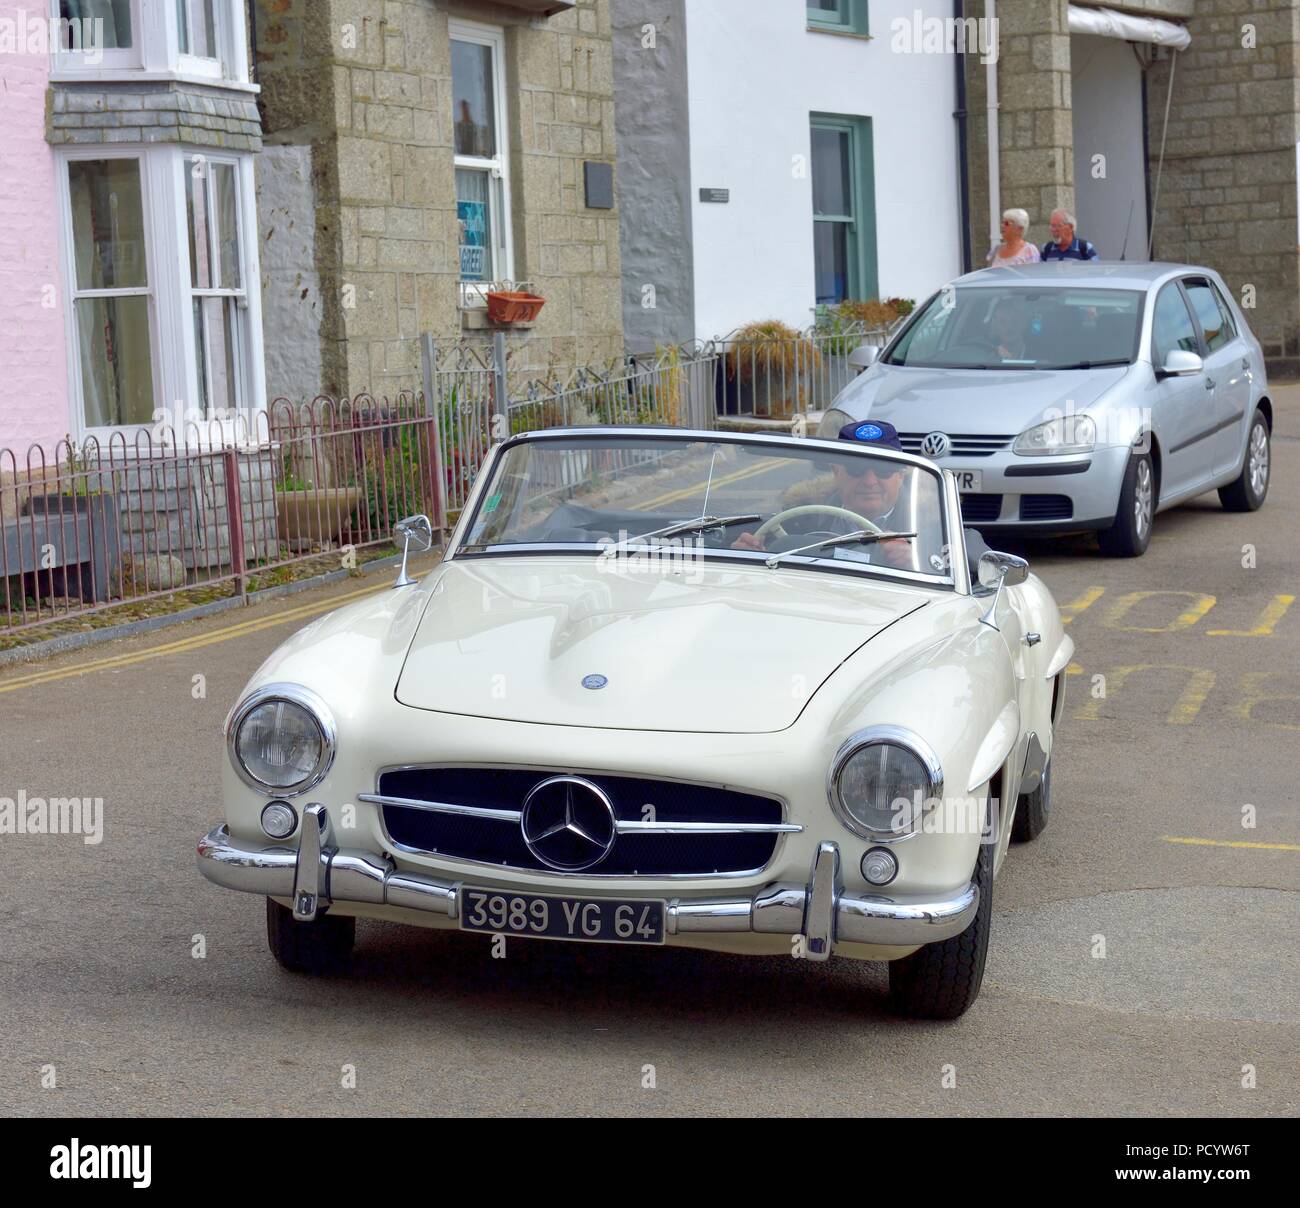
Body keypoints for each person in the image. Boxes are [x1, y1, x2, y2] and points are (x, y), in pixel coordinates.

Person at [731, 421, 914, 568]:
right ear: (836, 471)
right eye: (856, 468)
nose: (870, 481)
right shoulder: (799, 519)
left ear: (901, 475)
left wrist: (916, 560)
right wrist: (748, 555)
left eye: (883, 469)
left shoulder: (929, 526)